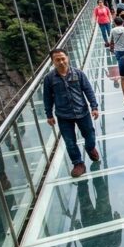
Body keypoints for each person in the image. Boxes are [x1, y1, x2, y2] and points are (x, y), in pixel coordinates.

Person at [43, 48, 100, 178]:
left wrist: (94, 106)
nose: (61, 62)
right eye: (57, 60)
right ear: (53, 62)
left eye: (63, 58)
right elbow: (47, 98)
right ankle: (78, 164)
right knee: (69, 141)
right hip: (63, 115)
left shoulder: (78, 73)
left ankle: (90, 148)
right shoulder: (49, 78)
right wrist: (49, 115)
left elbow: (88, 90)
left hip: (82, 112)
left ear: (67, 58)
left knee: (90, 135)